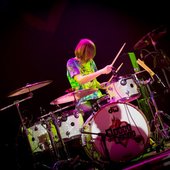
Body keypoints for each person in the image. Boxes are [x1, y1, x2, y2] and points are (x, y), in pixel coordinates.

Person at [66, 38, 113, 121]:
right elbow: (81, 80)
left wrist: (103, 85)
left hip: (97, 98)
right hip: (84, 102)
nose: (90, 58)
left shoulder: (91, 62)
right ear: (82, 51)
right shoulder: (71, 62)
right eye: (88, 55)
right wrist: (101, 71)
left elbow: (94, 83)